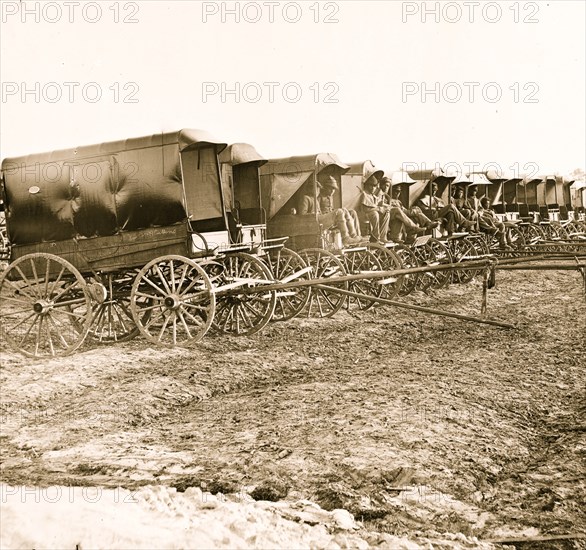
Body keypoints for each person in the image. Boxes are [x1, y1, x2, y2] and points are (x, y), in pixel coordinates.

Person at [299, 174, 362, 245]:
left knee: (344, 210)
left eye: (319, 189)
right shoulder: (306, 198)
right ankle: (345, 238)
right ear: (310, 189)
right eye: (316, 188)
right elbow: (302, 215)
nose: (318, 191)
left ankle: (354, 236)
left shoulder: (315, 199)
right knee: (339, 211)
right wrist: (314, 214)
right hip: (314, 222)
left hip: (319, 218)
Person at [377, 178, 435, 242]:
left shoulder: (395, 200)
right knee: (399, 211)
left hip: (395, 215)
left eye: (399, 191)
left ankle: (427, 223)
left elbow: (404, 211)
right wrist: (413, 211)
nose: (397, 193)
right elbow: (402, 211)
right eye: (395, 191)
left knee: (414, 210)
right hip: (383, 215)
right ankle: (415, 229)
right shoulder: (383, 196)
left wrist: (414, 210)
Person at [361, 175, 390, 242]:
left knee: (386, 213)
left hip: (371, 215)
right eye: (371, 185)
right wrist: (378, 209)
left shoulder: (372, 195)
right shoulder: (364, 194)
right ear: (367, 186)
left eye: (374, 186)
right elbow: (366, 210)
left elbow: (378, 204)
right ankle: (376, 238)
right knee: (375, 214)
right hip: (364, 215)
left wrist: (384, 207)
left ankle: (383, 237)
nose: (373, 188)